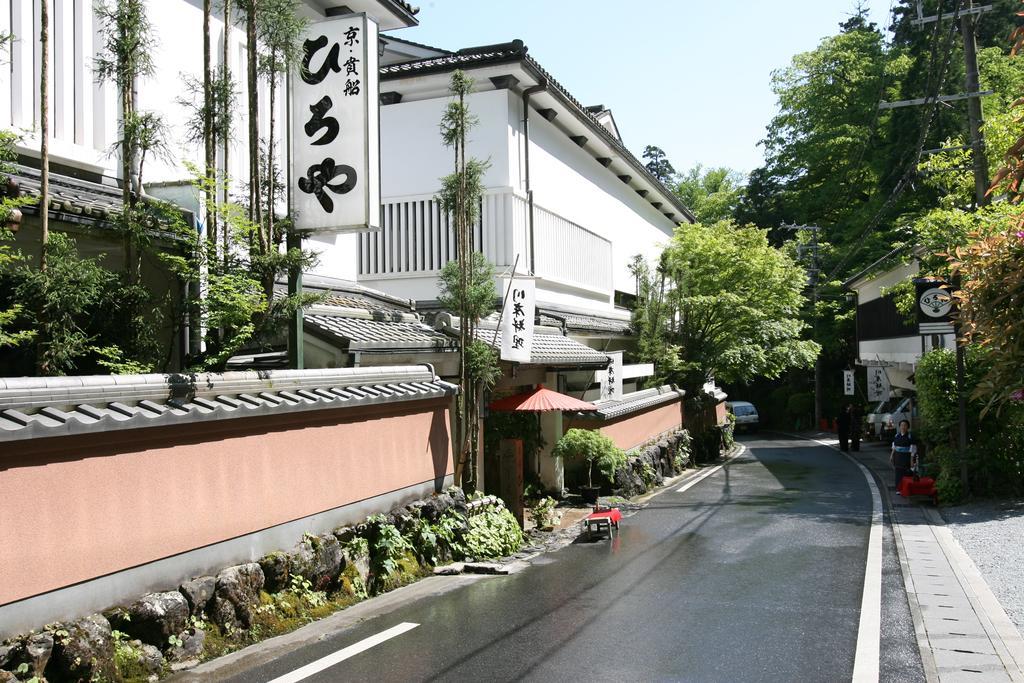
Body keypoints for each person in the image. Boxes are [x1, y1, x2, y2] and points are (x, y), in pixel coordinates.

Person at [890, 419, 917, 489]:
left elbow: (913, 449)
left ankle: (906, 489)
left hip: (906, 457)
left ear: (908, 427)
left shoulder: (910, 436)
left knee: (906, 472)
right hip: (898, 457)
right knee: (898, 472)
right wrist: (892, 455)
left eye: (905, 425)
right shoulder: (897, 435)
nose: (903, 427)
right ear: (899, 426)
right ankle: (898, 488)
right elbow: (894, 447)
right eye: (902, 425)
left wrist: (911, 460)